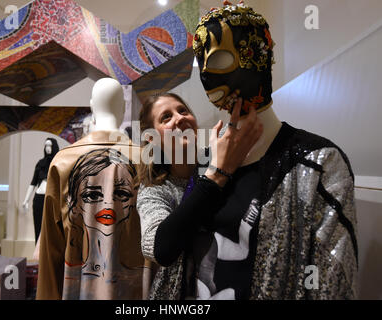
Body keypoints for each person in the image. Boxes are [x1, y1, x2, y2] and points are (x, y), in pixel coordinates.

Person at [137, 1, 358, 300]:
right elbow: (164, 246)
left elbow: (332, 282)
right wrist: (216, 172)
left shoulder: (318, 161)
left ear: (256, 57)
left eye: (217, 60)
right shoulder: (199, 168)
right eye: (201, 65)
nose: (206, 76)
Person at [136, 92, 263, 300]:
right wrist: (216, 175)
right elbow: (161, 249)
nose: (180, 118)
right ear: (152, 139)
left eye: (183, 110)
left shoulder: (223, 159)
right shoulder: (155, 190)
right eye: (166, 117)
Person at [36, 78, 150, 300]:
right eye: (92, 195)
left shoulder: (63, 161)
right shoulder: (146, 160)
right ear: (124, 107)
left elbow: (51, 252)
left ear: (91, 106)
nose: (108, 203)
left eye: (122, 194)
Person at [22, 137, 59, 244]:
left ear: (54, 146)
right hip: (38, 199)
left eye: (50, 145)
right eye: (46, 145)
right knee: (38, 228)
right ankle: (38, 257)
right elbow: (33, 183)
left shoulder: (58, 163)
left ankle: (51, 257)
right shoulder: (40, 163)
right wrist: (26, 200)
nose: (48, 148)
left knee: (51, 229)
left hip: (51, 199)